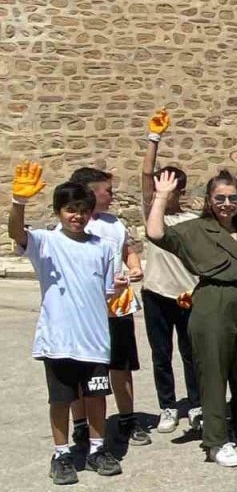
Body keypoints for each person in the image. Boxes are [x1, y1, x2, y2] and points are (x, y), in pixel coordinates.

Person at [146, 169, 237, 467]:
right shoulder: (195, 229)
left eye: (232, 198)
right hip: (213, 299)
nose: (227, 204)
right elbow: (156, 233)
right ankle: (216, 441)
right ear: (209, 200)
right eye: (220, 198)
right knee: (213, 372)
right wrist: (160, 196)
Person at [10, 165, 129, 483]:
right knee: (61, 400)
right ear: (58, 212)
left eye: (82, 210)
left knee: (96, 397)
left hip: (95, 341)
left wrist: (116, 289)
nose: (77, 216)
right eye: (70, 210)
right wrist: (18, 202)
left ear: (90, 213)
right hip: (59, 341)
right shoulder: (45, 242)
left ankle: (97, 449)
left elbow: (105, 290)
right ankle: (61, 454)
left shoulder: (103, 247)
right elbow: (16, 234)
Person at [67, 166, 147, 447]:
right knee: (81, 368)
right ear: (90, 192)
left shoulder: (114, 223)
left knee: (121, 366)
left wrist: (134, 266)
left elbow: (126, 250)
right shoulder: (74, 225)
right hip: (86, 310)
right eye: (107, 191)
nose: (112, 195)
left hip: (118, 307)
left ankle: (127, 420)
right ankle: (81, 425)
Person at [140, 108, 201, 435]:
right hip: (156, 293)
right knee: (161, 354)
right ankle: (167, 406)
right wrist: (154, 138)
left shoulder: (193, 221)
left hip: (187, 295)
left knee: (192, 354)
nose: (163, 194)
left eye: (171, 189)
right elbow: (146, 176)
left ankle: (196, 403)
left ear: (182, 191)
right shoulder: (154, 213)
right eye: (160, 188)